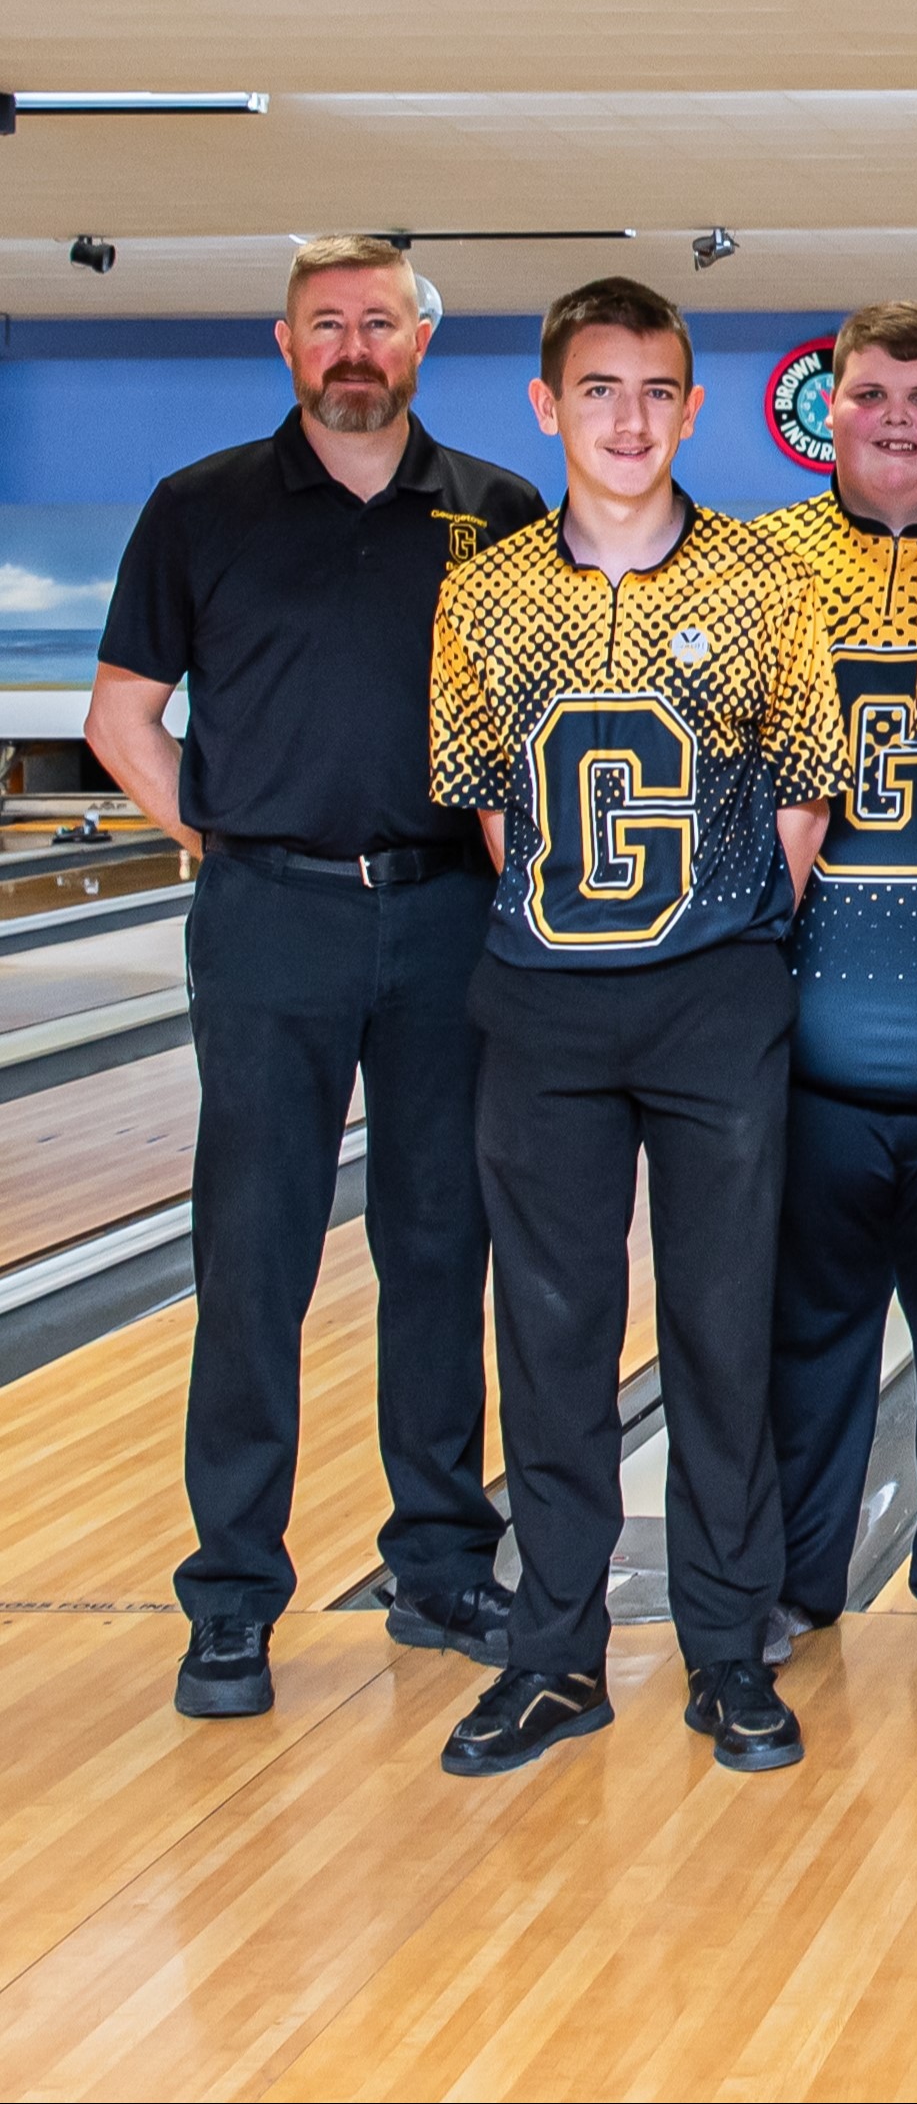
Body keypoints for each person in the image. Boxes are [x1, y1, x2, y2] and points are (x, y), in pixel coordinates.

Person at [88, 235, 547, 1721]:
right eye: (324, 323)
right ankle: (231, 1591)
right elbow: (121, 714)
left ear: (423, 341)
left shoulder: (498, 509)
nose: (353, 346)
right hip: (271, 916)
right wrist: (221, 835)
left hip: (444, 915)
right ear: (285, 345)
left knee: (438, 1247)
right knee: (255, 1256)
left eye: (378, 322)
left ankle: (439, 1560)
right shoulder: (200, 506)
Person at [425, 275, 848, 1776]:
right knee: (549, 1334)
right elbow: (486, 800)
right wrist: (580, 936)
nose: (627, 416)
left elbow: (803, 787)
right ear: (547, 406)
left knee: (723, 1330)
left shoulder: (760, 580)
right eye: (597, 388)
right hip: (540, 1000)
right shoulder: (484, 592)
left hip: (714, 996)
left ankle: (730, 1652)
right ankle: (556, 1655)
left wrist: (706, 938)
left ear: (693, 405)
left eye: (656, 389)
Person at [756, 302, 917, 1664]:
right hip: (807, 1055)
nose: (897, 415)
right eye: (870, 393)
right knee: (807, 1337)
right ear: (827, 410)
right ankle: (795, 1575)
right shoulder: (761, 567)